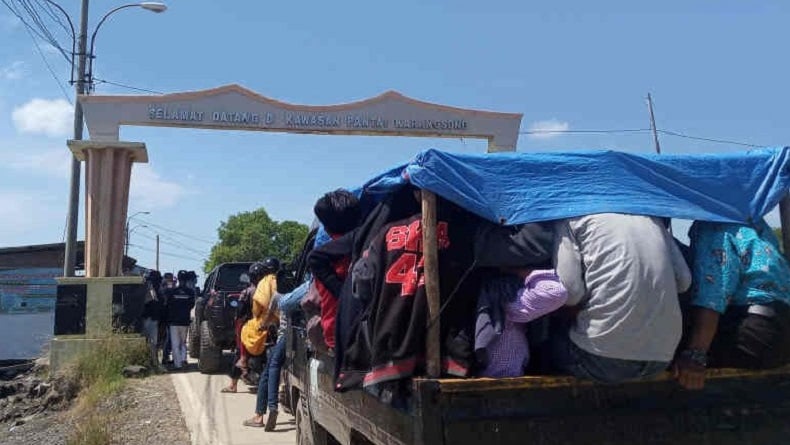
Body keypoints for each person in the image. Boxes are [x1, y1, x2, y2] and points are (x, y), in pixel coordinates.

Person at [552, 213, 692, 384]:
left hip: (599, 359)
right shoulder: (652, 219)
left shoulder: (570, 218)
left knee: (546, 343)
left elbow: (570, 292)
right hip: (662, 358)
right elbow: (684, 281)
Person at [674, 219, 790, 390]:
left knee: (666, 351)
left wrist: (695, 355)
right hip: (783, 334)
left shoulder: (714, 227)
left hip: (754, 335)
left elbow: (713, 295)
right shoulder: (756, 227)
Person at [476, 268, 568, 378]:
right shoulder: (501, 291)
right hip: (500, 379)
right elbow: (556, 292)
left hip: (485, 376)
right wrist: (518, 271)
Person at [307, 189, 361, 350]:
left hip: (338, 337)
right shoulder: (373, 245)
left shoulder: (322, 258)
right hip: (372, 334)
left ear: (327, 228)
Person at [223, 262, 266, 393]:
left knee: (240, 355)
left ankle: (233, 385)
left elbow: (240, 313)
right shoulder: (269, 291)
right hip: (265, 328)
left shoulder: (247, 292)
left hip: (248, 330)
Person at [164, 270, 196, 370]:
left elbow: (168, 305)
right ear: (186, 280)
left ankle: (178, 365)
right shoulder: (190, 292)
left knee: (175, 344)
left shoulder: (172, 291)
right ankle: (183, 359)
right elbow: (191, 305)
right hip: (185, 321)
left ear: (178, 279)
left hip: (173, 322)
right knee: (183, 343)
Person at [141, 270, 164, 368]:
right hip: (150, 318)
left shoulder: (155, 290)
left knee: (151, 342)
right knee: (151, 342)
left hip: (151, 319)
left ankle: (152, 362)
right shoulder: (150, 289)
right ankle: (152, 363)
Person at [160, 272, 177, 365]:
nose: (171, 281)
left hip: (164, 316)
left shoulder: (162, 286)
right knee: (168, 338)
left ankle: (165, 356)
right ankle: (165, 357)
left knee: (166, 338)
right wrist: (173, 285)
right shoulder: (164, 287)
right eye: (170, 279)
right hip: (166, 316)